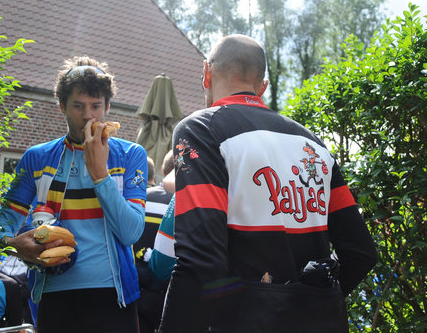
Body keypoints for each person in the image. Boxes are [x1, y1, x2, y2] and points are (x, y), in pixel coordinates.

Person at [158, 35, 377, 333]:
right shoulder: (312, 143)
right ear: (262, 87)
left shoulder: (200, 130)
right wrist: (311, 302)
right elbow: (361, 253)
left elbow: (200, 260)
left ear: (207, 74)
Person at [0, 56, 148, 333]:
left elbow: (130, 234)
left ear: (108, 107)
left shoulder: (130, 155)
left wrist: (99, 173)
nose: (88, 115)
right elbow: (0, 225)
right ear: (62, 106)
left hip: (114, 297)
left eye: (96, 106)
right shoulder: (36, 158)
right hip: (54, 295)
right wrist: (15, 245)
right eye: (78, 106)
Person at [134, 151, 174, 332]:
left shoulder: (141, 199)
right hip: (168, 291)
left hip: (137, 286)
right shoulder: (183, 203)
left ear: (163, 170)